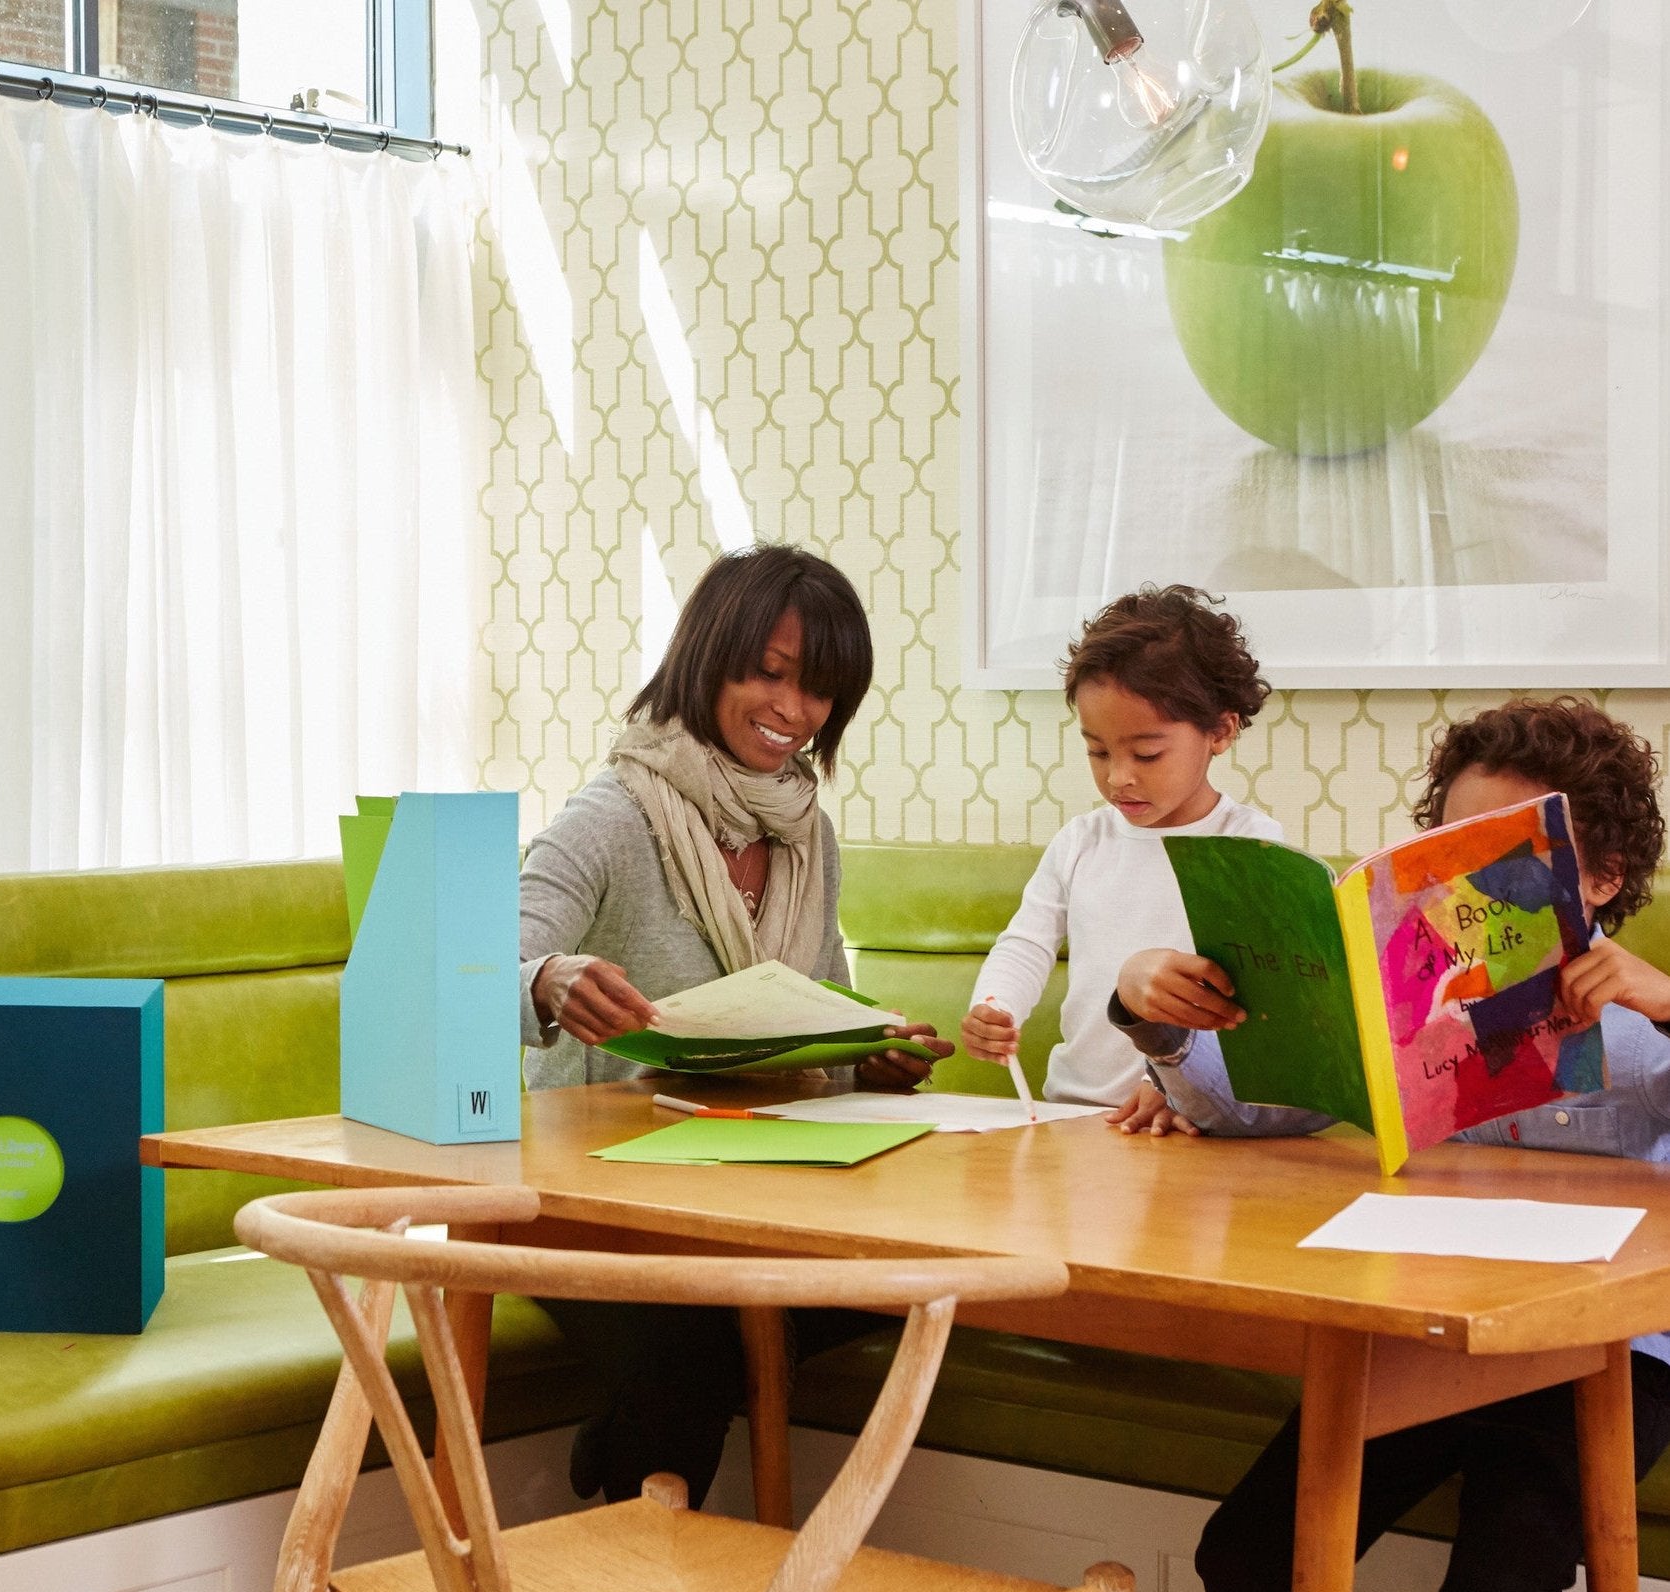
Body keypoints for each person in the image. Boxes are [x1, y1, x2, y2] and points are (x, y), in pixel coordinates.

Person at [1111, 696, 1670, 1592]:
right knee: (1248, 1555)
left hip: (1610, 1348)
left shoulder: (1644, 1018)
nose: (1469, 890)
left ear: (1595, 877)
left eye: (1506, 857)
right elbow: (1240, 1107)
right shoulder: (1410, 989)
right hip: (1430, 1327)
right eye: (1448, 855)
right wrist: (1157, 1012)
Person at [519, 541, 951, 1505]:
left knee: (924, 1284)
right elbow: (484, 968)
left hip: (753, 1191)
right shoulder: (613, 818)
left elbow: (819, 1011)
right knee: (696, 1347)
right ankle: (638, 1584)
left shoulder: (805, 836)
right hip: (595, 1204)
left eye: (820, 691)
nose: (792, 712)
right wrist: (549, 979)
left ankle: (626, 1487)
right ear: (708, 659)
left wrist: (865, 1055)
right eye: (769, 674)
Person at [961, 583, 1281, 1119]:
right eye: (1098, 751)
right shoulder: (1082, 843)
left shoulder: (1252, 848)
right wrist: (995, 1005)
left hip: (1190, 1120)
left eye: (1147, 753)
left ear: (1221, 730)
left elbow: (1263, 1008)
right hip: (1075, 1112)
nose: (1118, 777)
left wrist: (1178, 1082)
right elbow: (1026, 944)